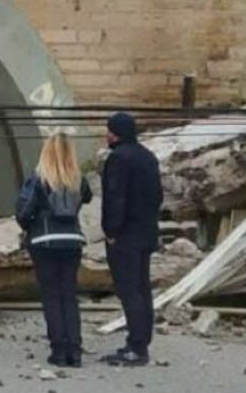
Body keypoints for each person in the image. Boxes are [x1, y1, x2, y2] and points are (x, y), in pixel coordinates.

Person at [15, 131, 94, 368]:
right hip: (72, 241)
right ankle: (75, 350)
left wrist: (28, 226)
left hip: (44, 241)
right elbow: (87, 198)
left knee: (52, 295)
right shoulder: (78, 180)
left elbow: (23, 211)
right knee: (69, 295)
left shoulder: (38, 179)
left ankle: (58, 350)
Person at [100, 112, 163, 367]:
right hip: (146, 232)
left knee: (128, 290)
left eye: (109, 130)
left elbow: (115, 199)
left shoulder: (118, 159)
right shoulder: (148, 157)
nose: (106, 134)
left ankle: (136, 347)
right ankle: (141, 341)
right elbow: (158, 196)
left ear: (117, 132)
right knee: (142, 288)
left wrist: (111, 230)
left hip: (125, 235)